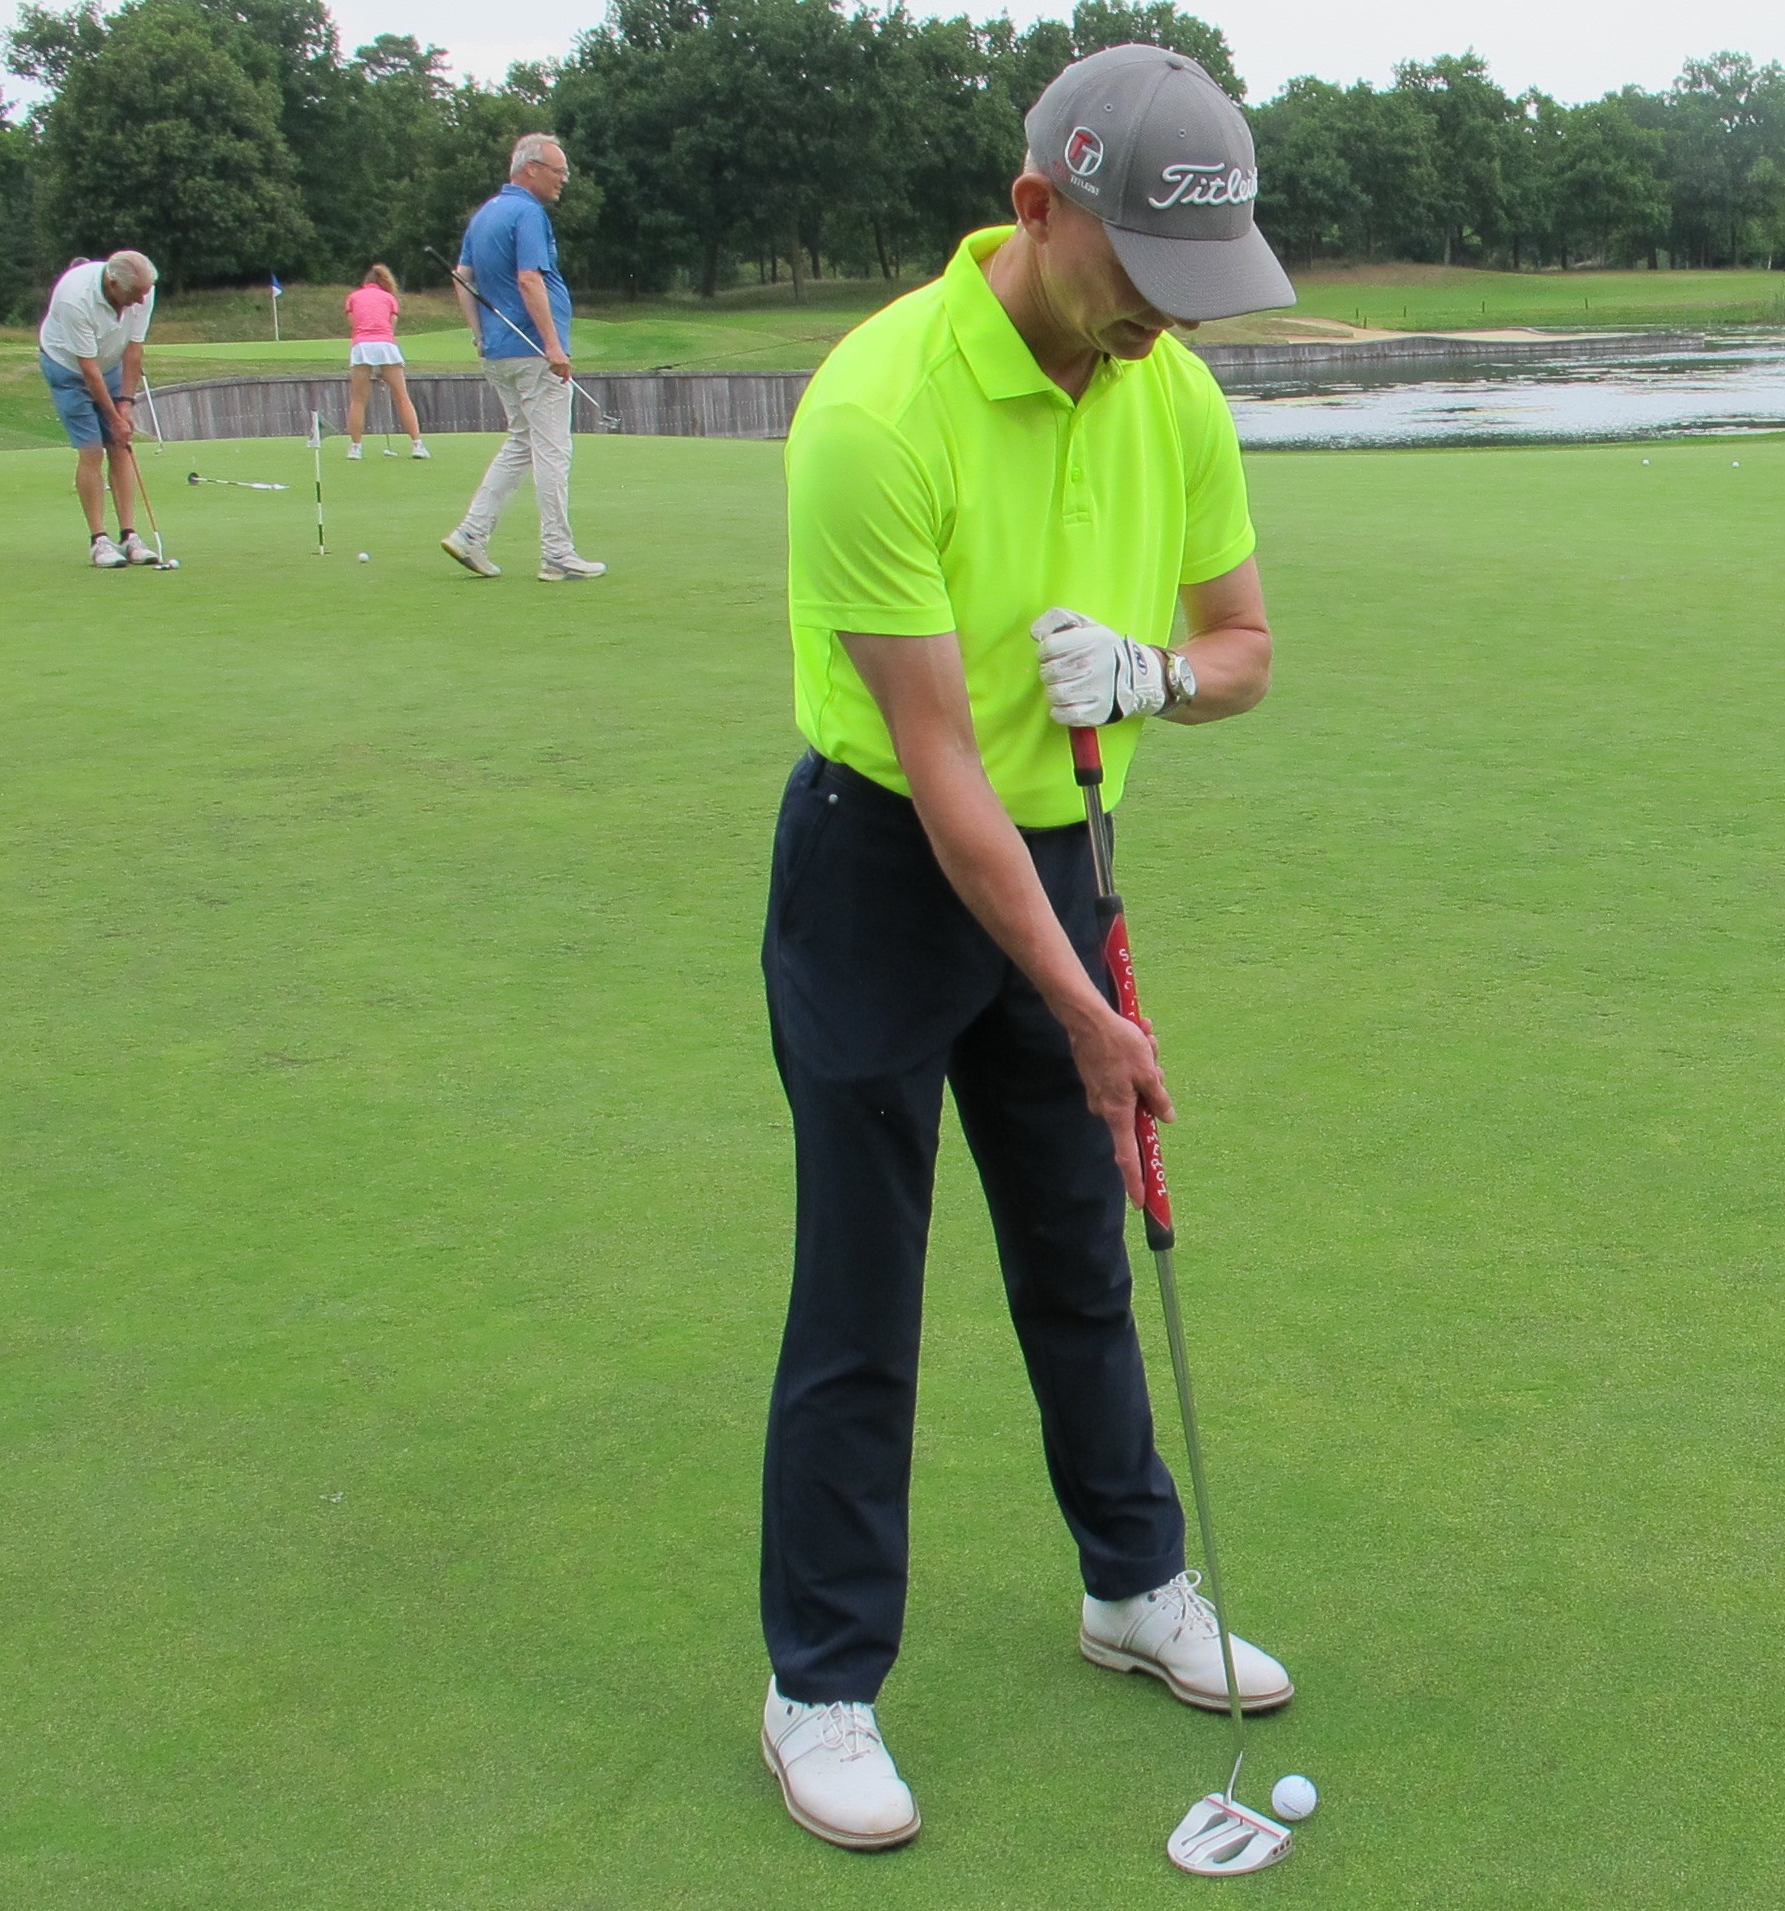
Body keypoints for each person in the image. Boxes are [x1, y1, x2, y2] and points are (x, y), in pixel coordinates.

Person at [752, 43, 1297, 1853]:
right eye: (1137, 270)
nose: (1163, 318)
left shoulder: (1168, 389)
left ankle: (1130, 1583)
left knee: (1078, 1250)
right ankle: (818, 1684)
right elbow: (937, 777)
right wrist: (1085, 1013)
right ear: (1033, 208)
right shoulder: (872, 413)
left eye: (1191, 287)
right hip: (882, 868)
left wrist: (1152, 676)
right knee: (862, 1286)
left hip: (1060, 849)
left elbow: (1242, 647)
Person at [439, 134, 599, 581]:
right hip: (533, 353)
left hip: (500, 352)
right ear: (531, 169)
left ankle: (471, 533)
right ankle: (557, 554)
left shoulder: (486, 213)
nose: (564, 179)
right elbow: (530, 280)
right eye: (558, 170)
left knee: (522, 444)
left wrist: (479, 335)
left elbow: (462, 278)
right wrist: (553, 345)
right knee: (552, 450)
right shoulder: (528, 213)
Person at [39, 250, 158, 568]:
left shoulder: (143, 289)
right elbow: (88, 371)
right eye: (134, 295)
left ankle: (130, 535)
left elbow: (133, 352)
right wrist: (112, 416)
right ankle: (99, 541)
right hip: (67, 368)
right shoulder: (74, 298)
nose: (139, 301)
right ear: (113, 282)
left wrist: (126, 405)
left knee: (121, 444)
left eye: (143, 294)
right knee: (92, 449)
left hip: (109, 362)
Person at [342, 264, 430, 460]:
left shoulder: (353, 297)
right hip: (386, 346)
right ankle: (417, 445)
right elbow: (390, 328)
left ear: (366, 282)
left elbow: (354, 325)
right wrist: (383, 368)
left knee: (358, 400)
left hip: (362, 346)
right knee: (402, 397)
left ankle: (355, 448)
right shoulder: (390, 299)